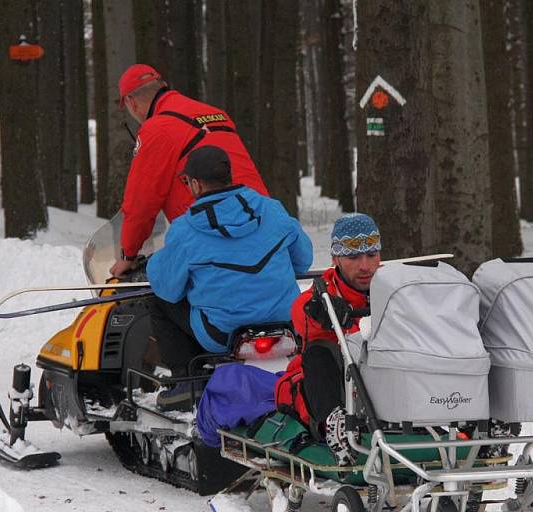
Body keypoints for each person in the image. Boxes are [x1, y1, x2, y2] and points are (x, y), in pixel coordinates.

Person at [146, 145, 313, 411]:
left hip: (222, 335)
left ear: (196, 184)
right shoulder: (272, 210)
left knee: (157, 302)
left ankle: (186, 381)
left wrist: (154, 264)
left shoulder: (185, 229)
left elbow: (168, 289)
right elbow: (303, 261)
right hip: (285, 325)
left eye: (186, 182)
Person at [111, 64, 268, 277]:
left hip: (213, 240)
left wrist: (128, 254)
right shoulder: (215, 114)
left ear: (131, 102)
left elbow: (141, 202)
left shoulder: (157, 129)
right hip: (263, 226)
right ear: (163, 85)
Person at [276, 213, 382, 465]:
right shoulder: (324, 293)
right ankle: (336, 425)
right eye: (353, 257)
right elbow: (302, 313)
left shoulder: (393, 288)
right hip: (332, 387)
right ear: (335, 258)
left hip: (387, 384)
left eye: (372, 255)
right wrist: (321, 310)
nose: (365, 266)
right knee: (318, 351)